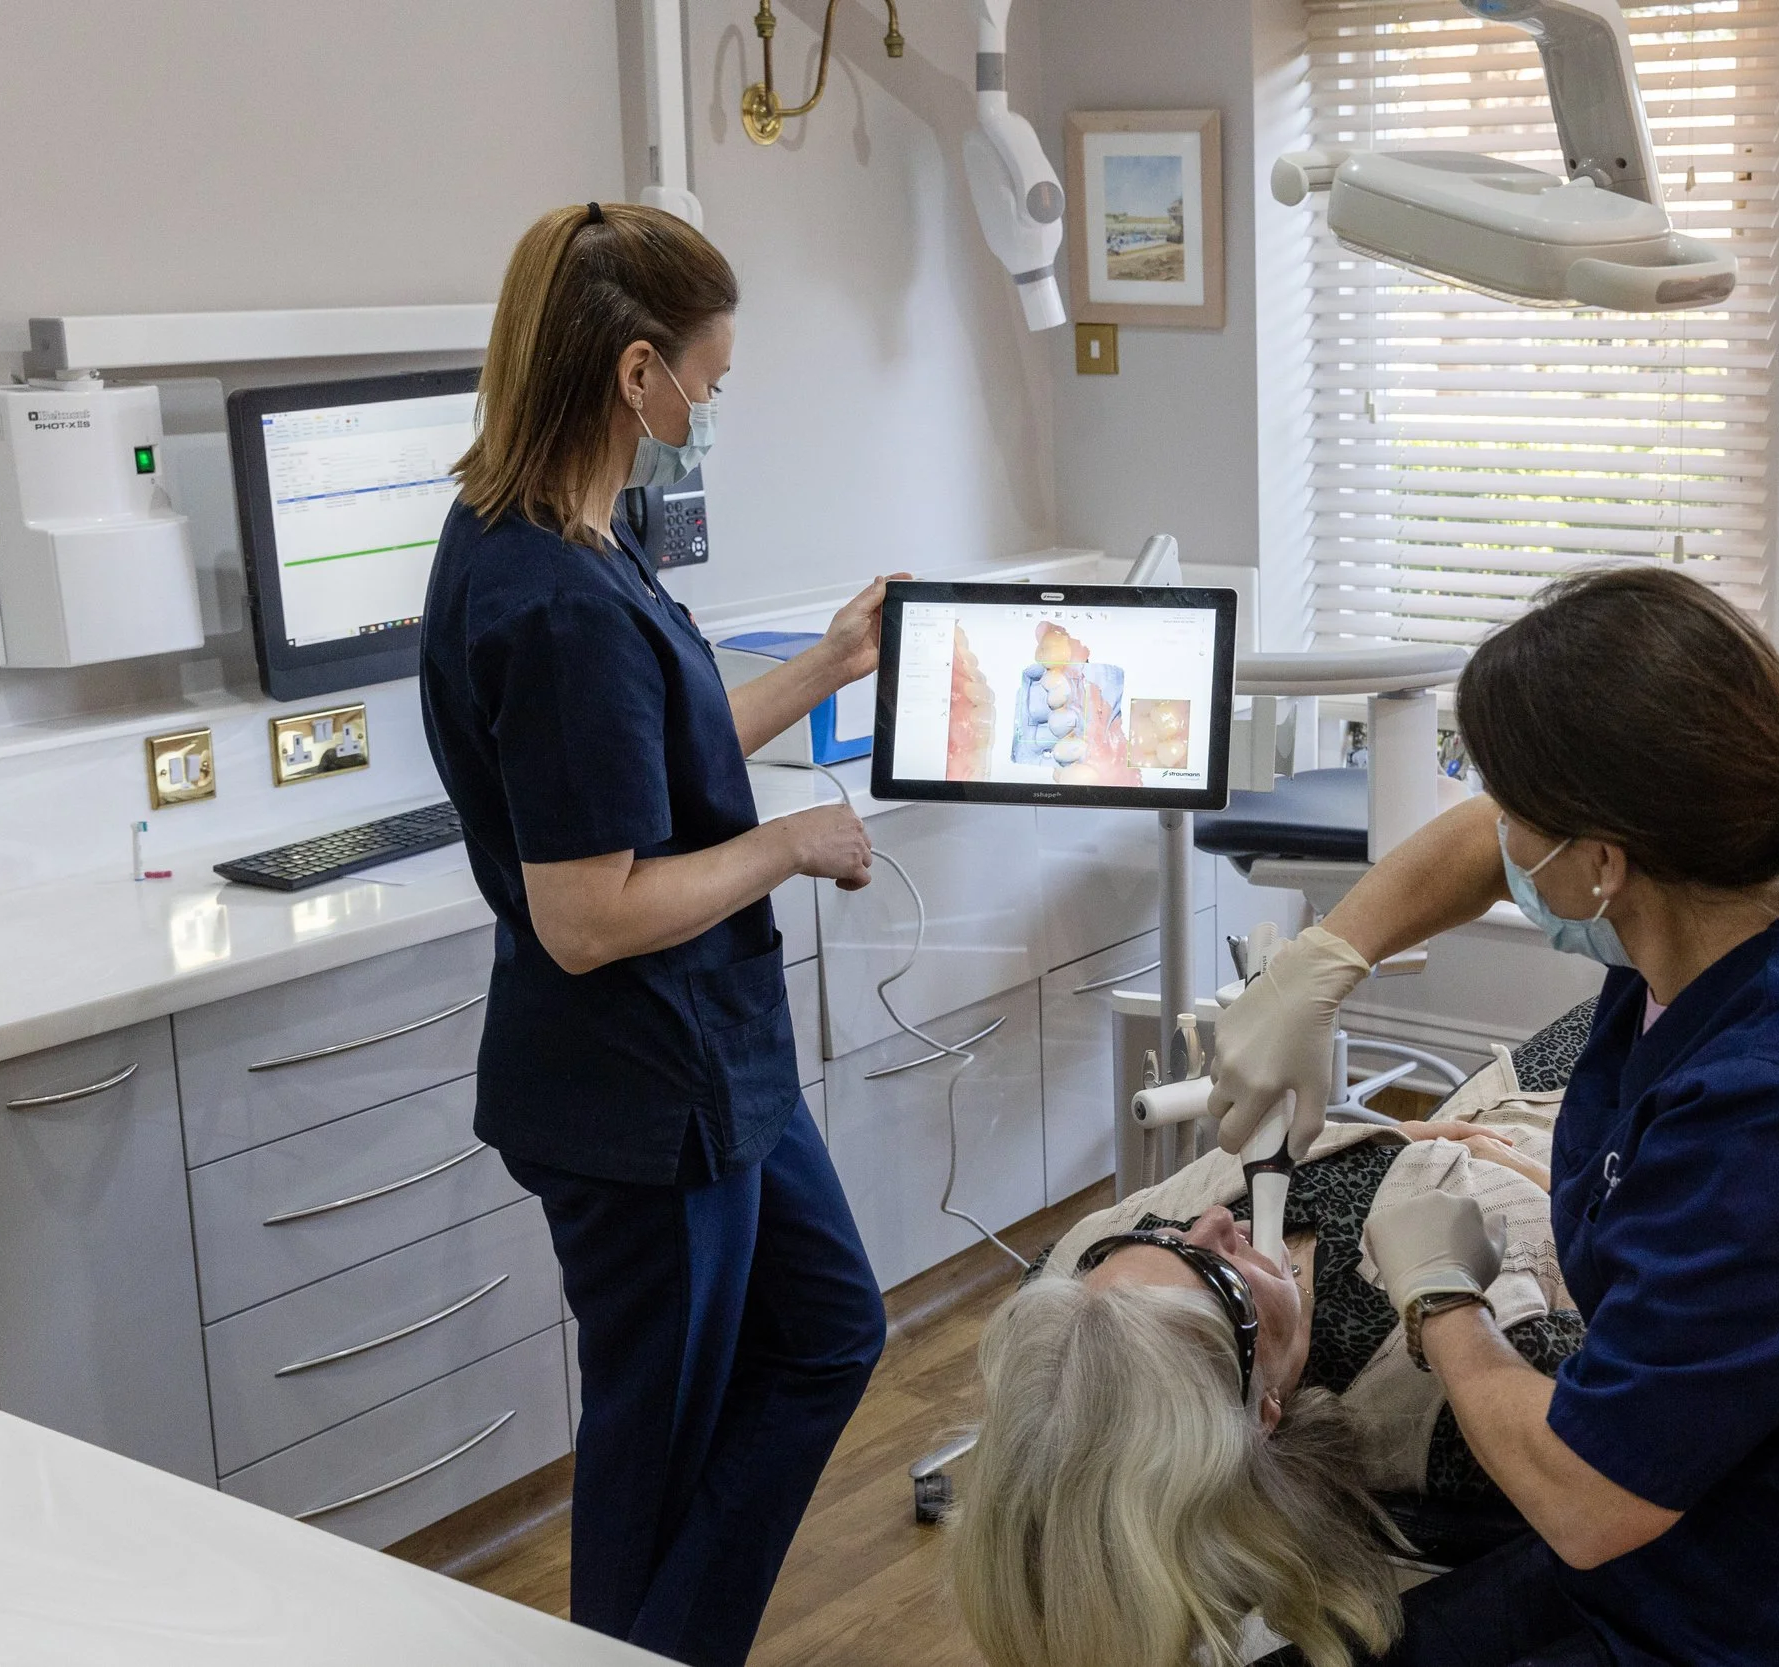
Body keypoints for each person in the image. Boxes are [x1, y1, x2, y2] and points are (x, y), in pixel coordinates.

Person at [1209, 567, 1779, 1666]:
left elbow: (1589, 1499)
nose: (1499, 837)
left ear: (1601, 862)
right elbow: (1477, 843)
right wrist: (1323, 959)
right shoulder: (1772, 891)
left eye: (1519, 816)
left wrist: (1442, 1299)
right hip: (1704, 1527)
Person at [420, 202, 895, 1667]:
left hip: (708, 1060)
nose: (710, 408)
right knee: (656, 1434)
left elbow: (665, 758)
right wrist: (791, 844)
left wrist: (827, 660)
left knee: (829, 1328)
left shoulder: (570, 533)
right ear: (638, 374)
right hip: (638, 1087)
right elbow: (586, 914)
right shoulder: (555, 604)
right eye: (710, 379)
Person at [951, 1050, 1579, 1667]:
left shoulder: (1067, 1276)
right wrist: (1560, 1195)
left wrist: (1389, 1140)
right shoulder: (1449, 1394)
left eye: (1159, 1233)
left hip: (1504, 1092)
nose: (1219, 1219)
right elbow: (1655, 1361)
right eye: (1222, 1280)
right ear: (1264, 1410)